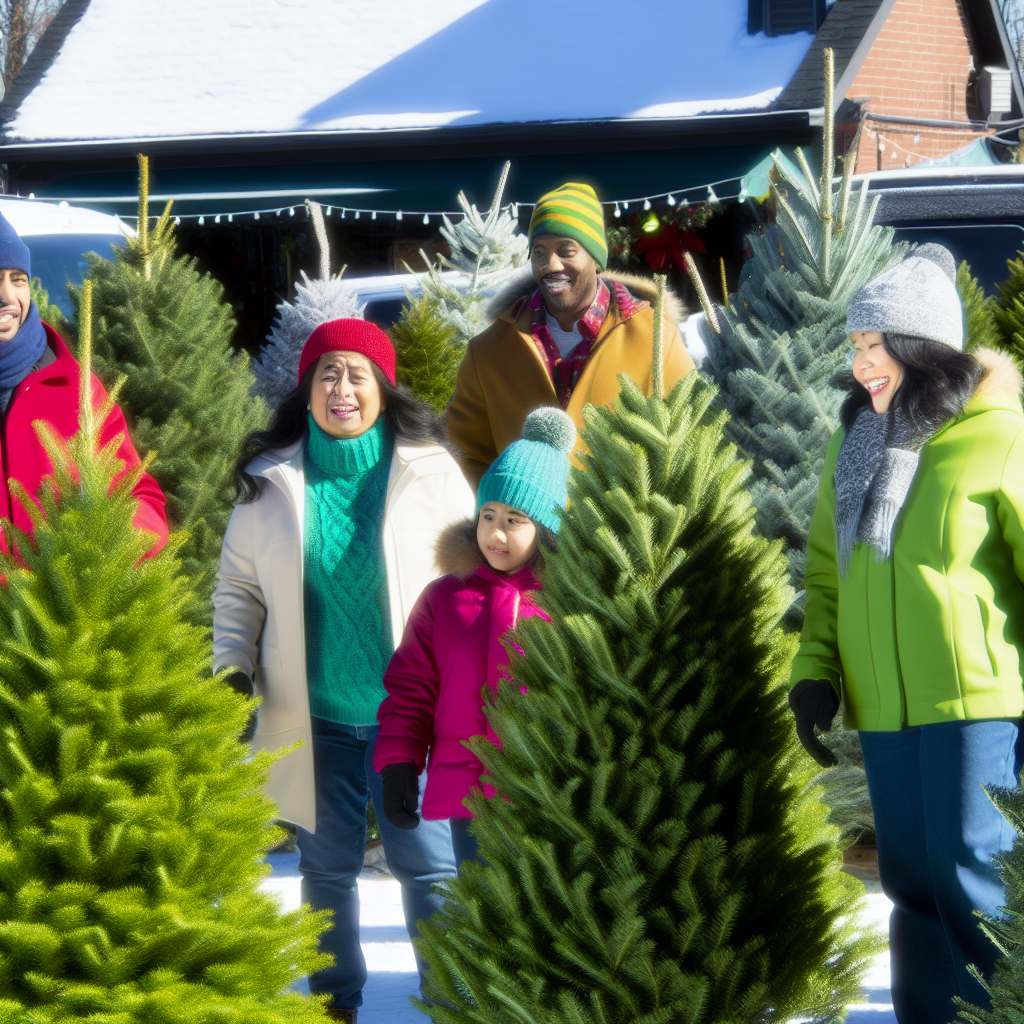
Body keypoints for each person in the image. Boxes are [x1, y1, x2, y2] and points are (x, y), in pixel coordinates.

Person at [212, 319, 475, 1024]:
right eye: (328, 373)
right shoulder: (271, 482)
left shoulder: (432, 471)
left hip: (411, 721)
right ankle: (335, 1007)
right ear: (307, 389)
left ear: (384, 389)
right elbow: (238, 588)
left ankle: (451, 1005)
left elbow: (474, 584)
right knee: (325, 871)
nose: (343, 388)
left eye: (359, 373)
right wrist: (232, 665)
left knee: (429, 870)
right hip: (314, 716)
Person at [789, 245, 1024, 1024]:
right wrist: (814, 673)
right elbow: (828, 576)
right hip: (884, 709)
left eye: (873, 346)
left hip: (974, 705)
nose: (860, 366)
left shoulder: (996, 435)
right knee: (912, 891)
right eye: (855, 348)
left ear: (921, 349)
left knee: (976, 881)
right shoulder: (852, 447)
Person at [374, 407, 574, 866]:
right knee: (483, 914)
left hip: (547, 792)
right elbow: (412, 687)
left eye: (515, 520)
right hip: (470, 799)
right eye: (488, 515)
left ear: (546, 529)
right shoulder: (445, 598)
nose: (496, 533)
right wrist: (400, 765)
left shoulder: (566, 603)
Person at [446, 181, 696, 489]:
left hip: (625, 535)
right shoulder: (488, 352)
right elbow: (464, 457)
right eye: (539, 252)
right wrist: (500, 520)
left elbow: (691, 447)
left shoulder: (656, 339)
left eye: (567, 251)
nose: (551, 265)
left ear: (595, 258)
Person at [0, 211, 167, 555]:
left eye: (17, 279)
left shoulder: (74, 387)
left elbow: (137, 494)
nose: (7, 296)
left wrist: (114, 539)